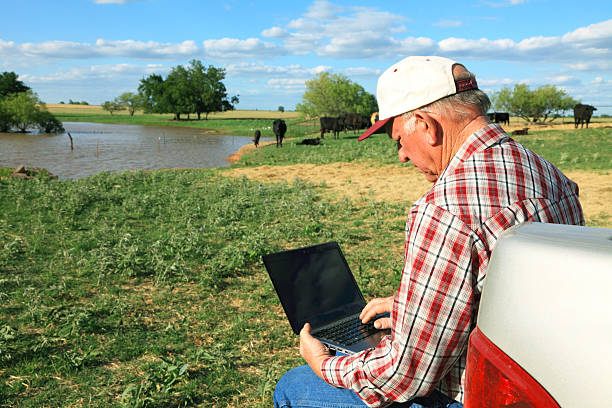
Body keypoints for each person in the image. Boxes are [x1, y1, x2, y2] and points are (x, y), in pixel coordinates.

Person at [273, 56, 584, 408]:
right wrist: (417, 308)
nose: (402, 156)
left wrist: (327, 365)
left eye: (399, 140)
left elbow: (404, 377)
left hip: (478, 395)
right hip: (544, 381)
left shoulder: (444, 208)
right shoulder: (550, 175)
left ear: (424, 124)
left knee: (293, 385)